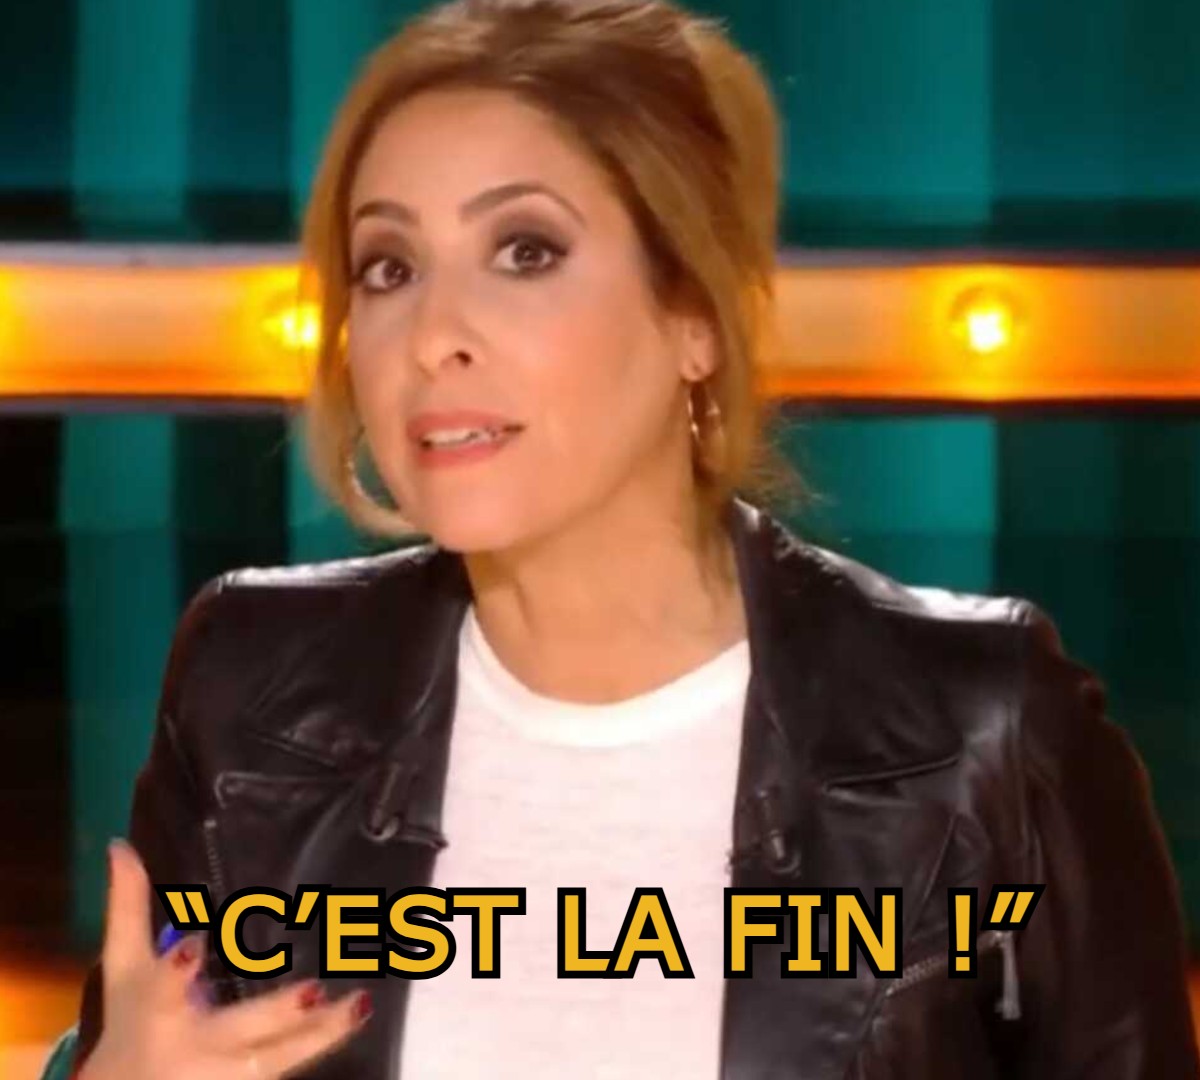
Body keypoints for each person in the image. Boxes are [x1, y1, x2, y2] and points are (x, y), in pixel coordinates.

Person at [47, 0, 1199, 1076]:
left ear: (696, 316)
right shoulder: (248, 690)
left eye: (526, 251)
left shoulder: (987, 733)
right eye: (389, 268)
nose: (431, 335)